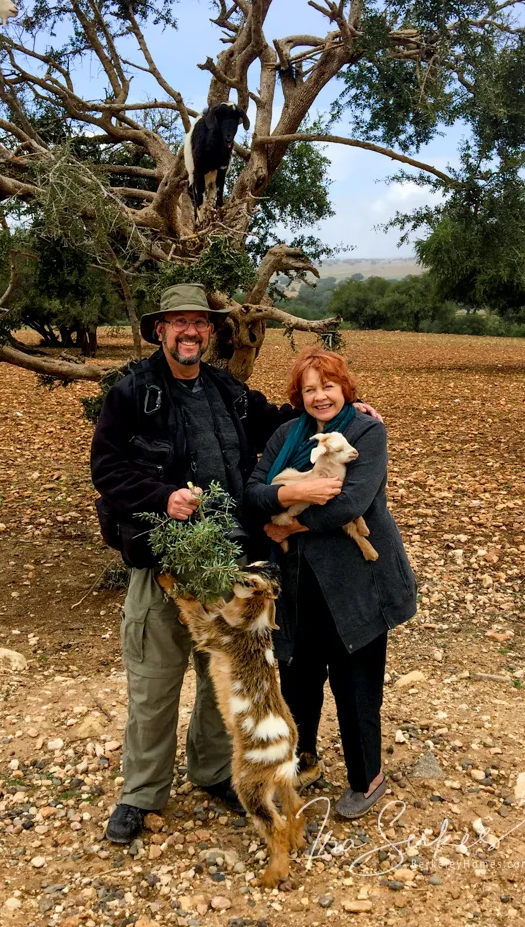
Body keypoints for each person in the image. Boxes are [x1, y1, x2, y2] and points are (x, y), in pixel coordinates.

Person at [91, 284, 380, 843]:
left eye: (199, 322)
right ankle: (140, 793)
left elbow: (287, 423)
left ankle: (209, 774)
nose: (190, 332)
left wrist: (348, 412)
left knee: (218, 677)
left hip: (228, 564)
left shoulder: (227, 389)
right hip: (165, 565)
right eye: (178, 322)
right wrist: (162, 498)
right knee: (155, 679)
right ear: (159, 331)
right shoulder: (132, 394)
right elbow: (107, 469)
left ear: (210, 332)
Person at [243, 345, 416, 819]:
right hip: (297, 583)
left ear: (346, 388)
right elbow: (254, 490)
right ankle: (305, 761)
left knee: (355, 680)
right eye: (310, 388)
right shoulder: (286, 434)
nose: (321, 396)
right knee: (298, 678)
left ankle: (367, 778)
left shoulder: (366, 431)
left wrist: (289, 524)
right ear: (298, 395)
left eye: (329, 386)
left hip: (355, 581)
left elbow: (349, 504)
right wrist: (293, 491)